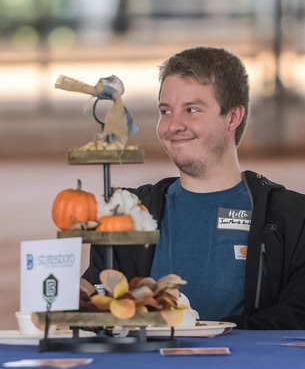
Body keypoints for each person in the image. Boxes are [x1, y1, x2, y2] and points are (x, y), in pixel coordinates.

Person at [83, 46, 305, 329]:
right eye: (166, 111)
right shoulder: (127, 213)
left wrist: (207, 333)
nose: (173, 125)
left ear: (233, 117)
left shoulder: (292, 217)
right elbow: (97, 305)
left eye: (192, 110)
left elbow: (298, 313)